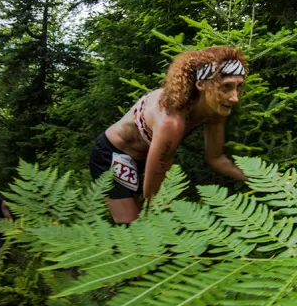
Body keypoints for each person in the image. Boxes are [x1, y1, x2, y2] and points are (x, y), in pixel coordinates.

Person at [90, 46, 249, 224]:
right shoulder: (171, 122)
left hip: (147, 156)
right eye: (226, 87)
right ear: (201, 84)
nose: (234, 97)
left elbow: (216, 158)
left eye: (238, 87)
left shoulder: (216, 110)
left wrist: (263, 181)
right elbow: (154, 196)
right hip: (112, 153)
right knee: (130, 225)